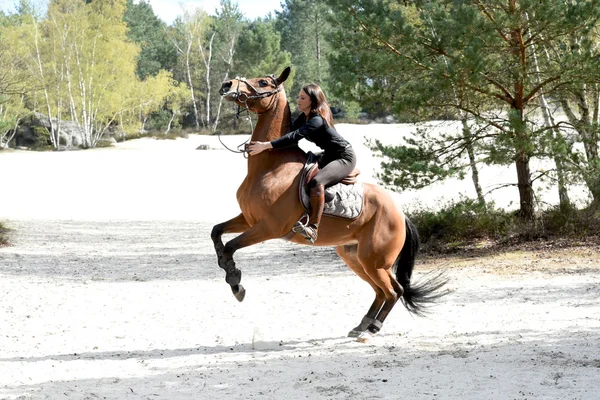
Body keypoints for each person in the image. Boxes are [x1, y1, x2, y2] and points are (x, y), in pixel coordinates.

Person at [247, 83, 357, 243]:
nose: (298, 100)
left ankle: (313, 227)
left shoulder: (316, 120)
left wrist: (265, 146)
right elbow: (288, 130)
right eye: (298, 96)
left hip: (343, 157)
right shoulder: (304, 117)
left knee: (316, 182)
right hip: (328, 155)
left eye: (302, 98)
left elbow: (294, 137)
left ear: (312, 101)